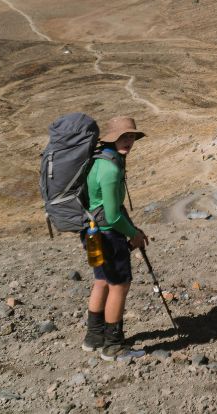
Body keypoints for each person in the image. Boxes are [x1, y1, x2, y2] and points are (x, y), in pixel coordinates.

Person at [81, 116, 149, 361]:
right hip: (107, 234)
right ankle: (113, 346)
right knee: (119, 285)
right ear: (111, 138)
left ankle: (93, 337)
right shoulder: (110, 168)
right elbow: (111, 216)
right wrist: (134, 235)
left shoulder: (99, 160)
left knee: (101, 280)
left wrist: (131, 228)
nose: (128, 141)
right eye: (123, 136)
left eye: (131, 136)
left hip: (90, 230)